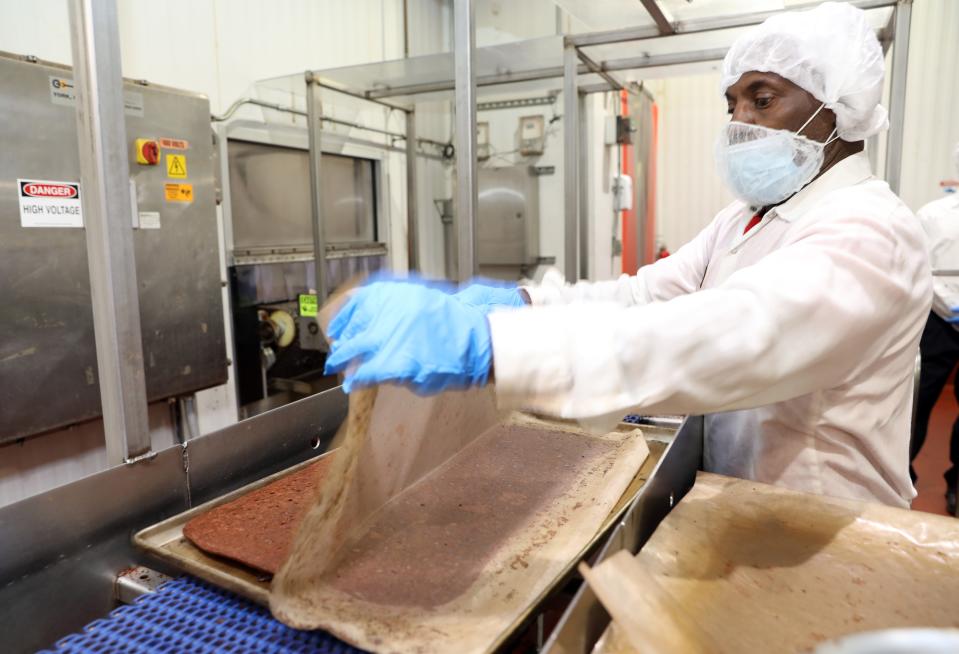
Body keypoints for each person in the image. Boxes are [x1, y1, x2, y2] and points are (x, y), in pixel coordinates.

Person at [324, 2, 931, 509]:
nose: (740, 123)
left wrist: (496, 346)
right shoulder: (747, 219)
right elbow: (641, 296)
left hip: (825, 530)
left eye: (763, 99)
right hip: (743, 505)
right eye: (732, 104)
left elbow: (727, 337)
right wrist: (521, 302)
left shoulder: (870, 233)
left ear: (838, 108)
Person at [910, 142, 959, 515]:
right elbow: (920, 270)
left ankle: (956, 482)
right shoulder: (933, 215)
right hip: (939, 321)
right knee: (918, 402)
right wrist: (950, 307)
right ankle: (901, 471)